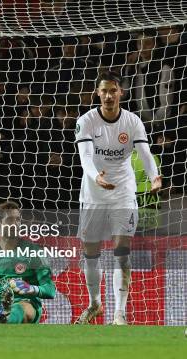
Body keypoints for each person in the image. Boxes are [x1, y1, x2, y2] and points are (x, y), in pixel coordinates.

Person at [74, 71, 161, 325]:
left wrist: (154, 176)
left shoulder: (132, 122)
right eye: (104, 91)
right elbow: (86, 157)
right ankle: (94, 304)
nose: (109, 95)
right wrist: (95, 177)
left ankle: (119, 313)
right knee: (90, 253)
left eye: (113, 90)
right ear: (97, 93)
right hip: (93, 193)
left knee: (122, 253)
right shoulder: (87, 121)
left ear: (120, 92)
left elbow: (145, 153)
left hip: (123, 192)